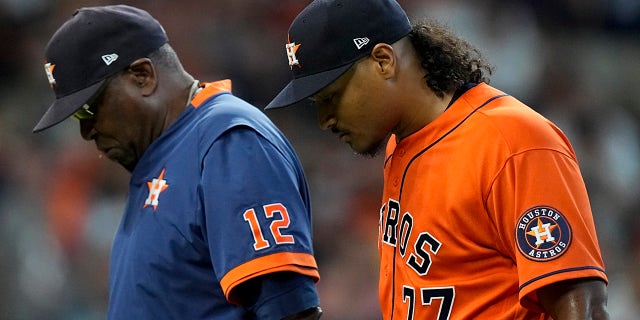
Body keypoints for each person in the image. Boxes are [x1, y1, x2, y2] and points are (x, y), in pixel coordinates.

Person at [265, 0, 609, 319]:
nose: (325, 119)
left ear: (384, 60)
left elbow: (582, 302)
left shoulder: (511, 140)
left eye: (331, 97)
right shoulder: (399, 146)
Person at [33, 5, 322, 320]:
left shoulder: (228, 141)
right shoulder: (164, 153)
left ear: (142, 76)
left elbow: (290, 311)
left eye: (90, 109)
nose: (86, 132)